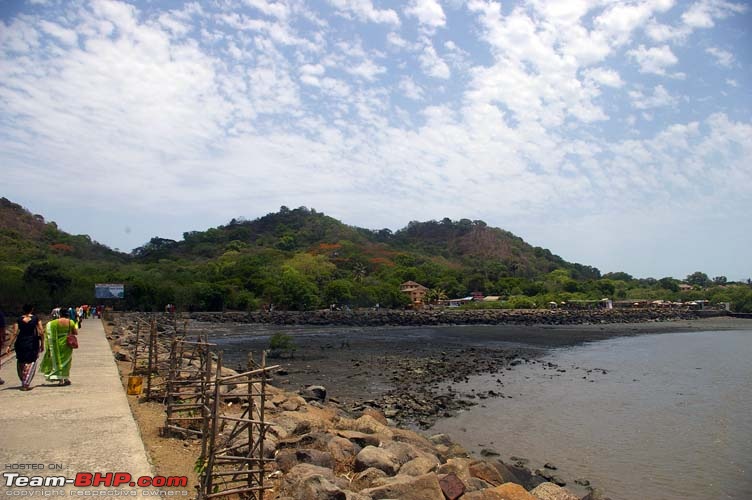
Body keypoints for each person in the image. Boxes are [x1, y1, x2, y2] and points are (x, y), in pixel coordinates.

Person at [5, 305, 44, 391]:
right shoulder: (36, 319)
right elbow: (41, 332)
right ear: (32, 309)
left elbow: (15, 333)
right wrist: (42, 344)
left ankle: (23, 379)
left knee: (21, 361)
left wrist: (9, 345)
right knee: (31, 360)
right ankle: (26, 382)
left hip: (21, 342)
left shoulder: (18, 320)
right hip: (33, 342)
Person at [40, 311, 78, 386]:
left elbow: (48, 331)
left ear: (60, 314)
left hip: (56, 344)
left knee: (58, 360)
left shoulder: (54, 323)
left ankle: (61, 380)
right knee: (66, 361)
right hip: (67, 344)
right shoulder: (71, 322)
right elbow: (75, 332)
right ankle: (65, 378)